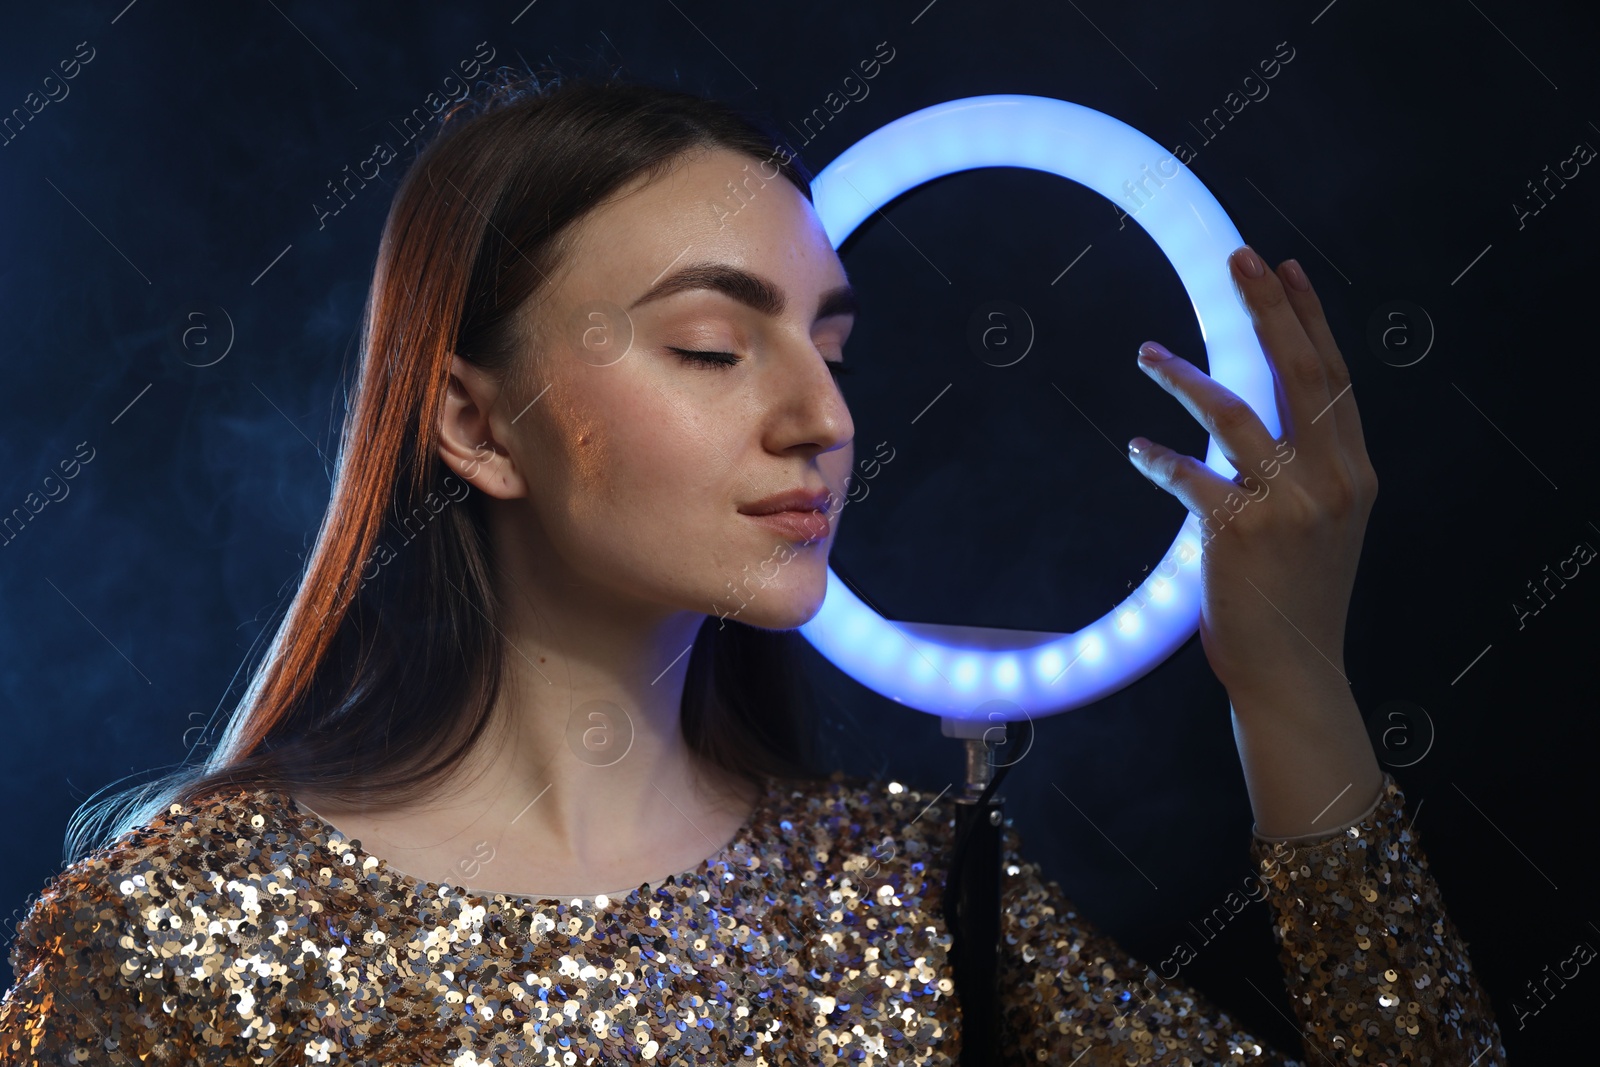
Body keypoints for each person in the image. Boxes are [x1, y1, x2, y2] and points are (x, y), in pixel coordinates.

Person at [0, 72, 1505, 1066]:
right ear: (474, 421)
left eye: (831, 344)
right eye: (715, 348)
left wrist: (1293, 683)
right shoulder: (174, 930)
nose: (824, 420)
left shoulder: (925, 896)